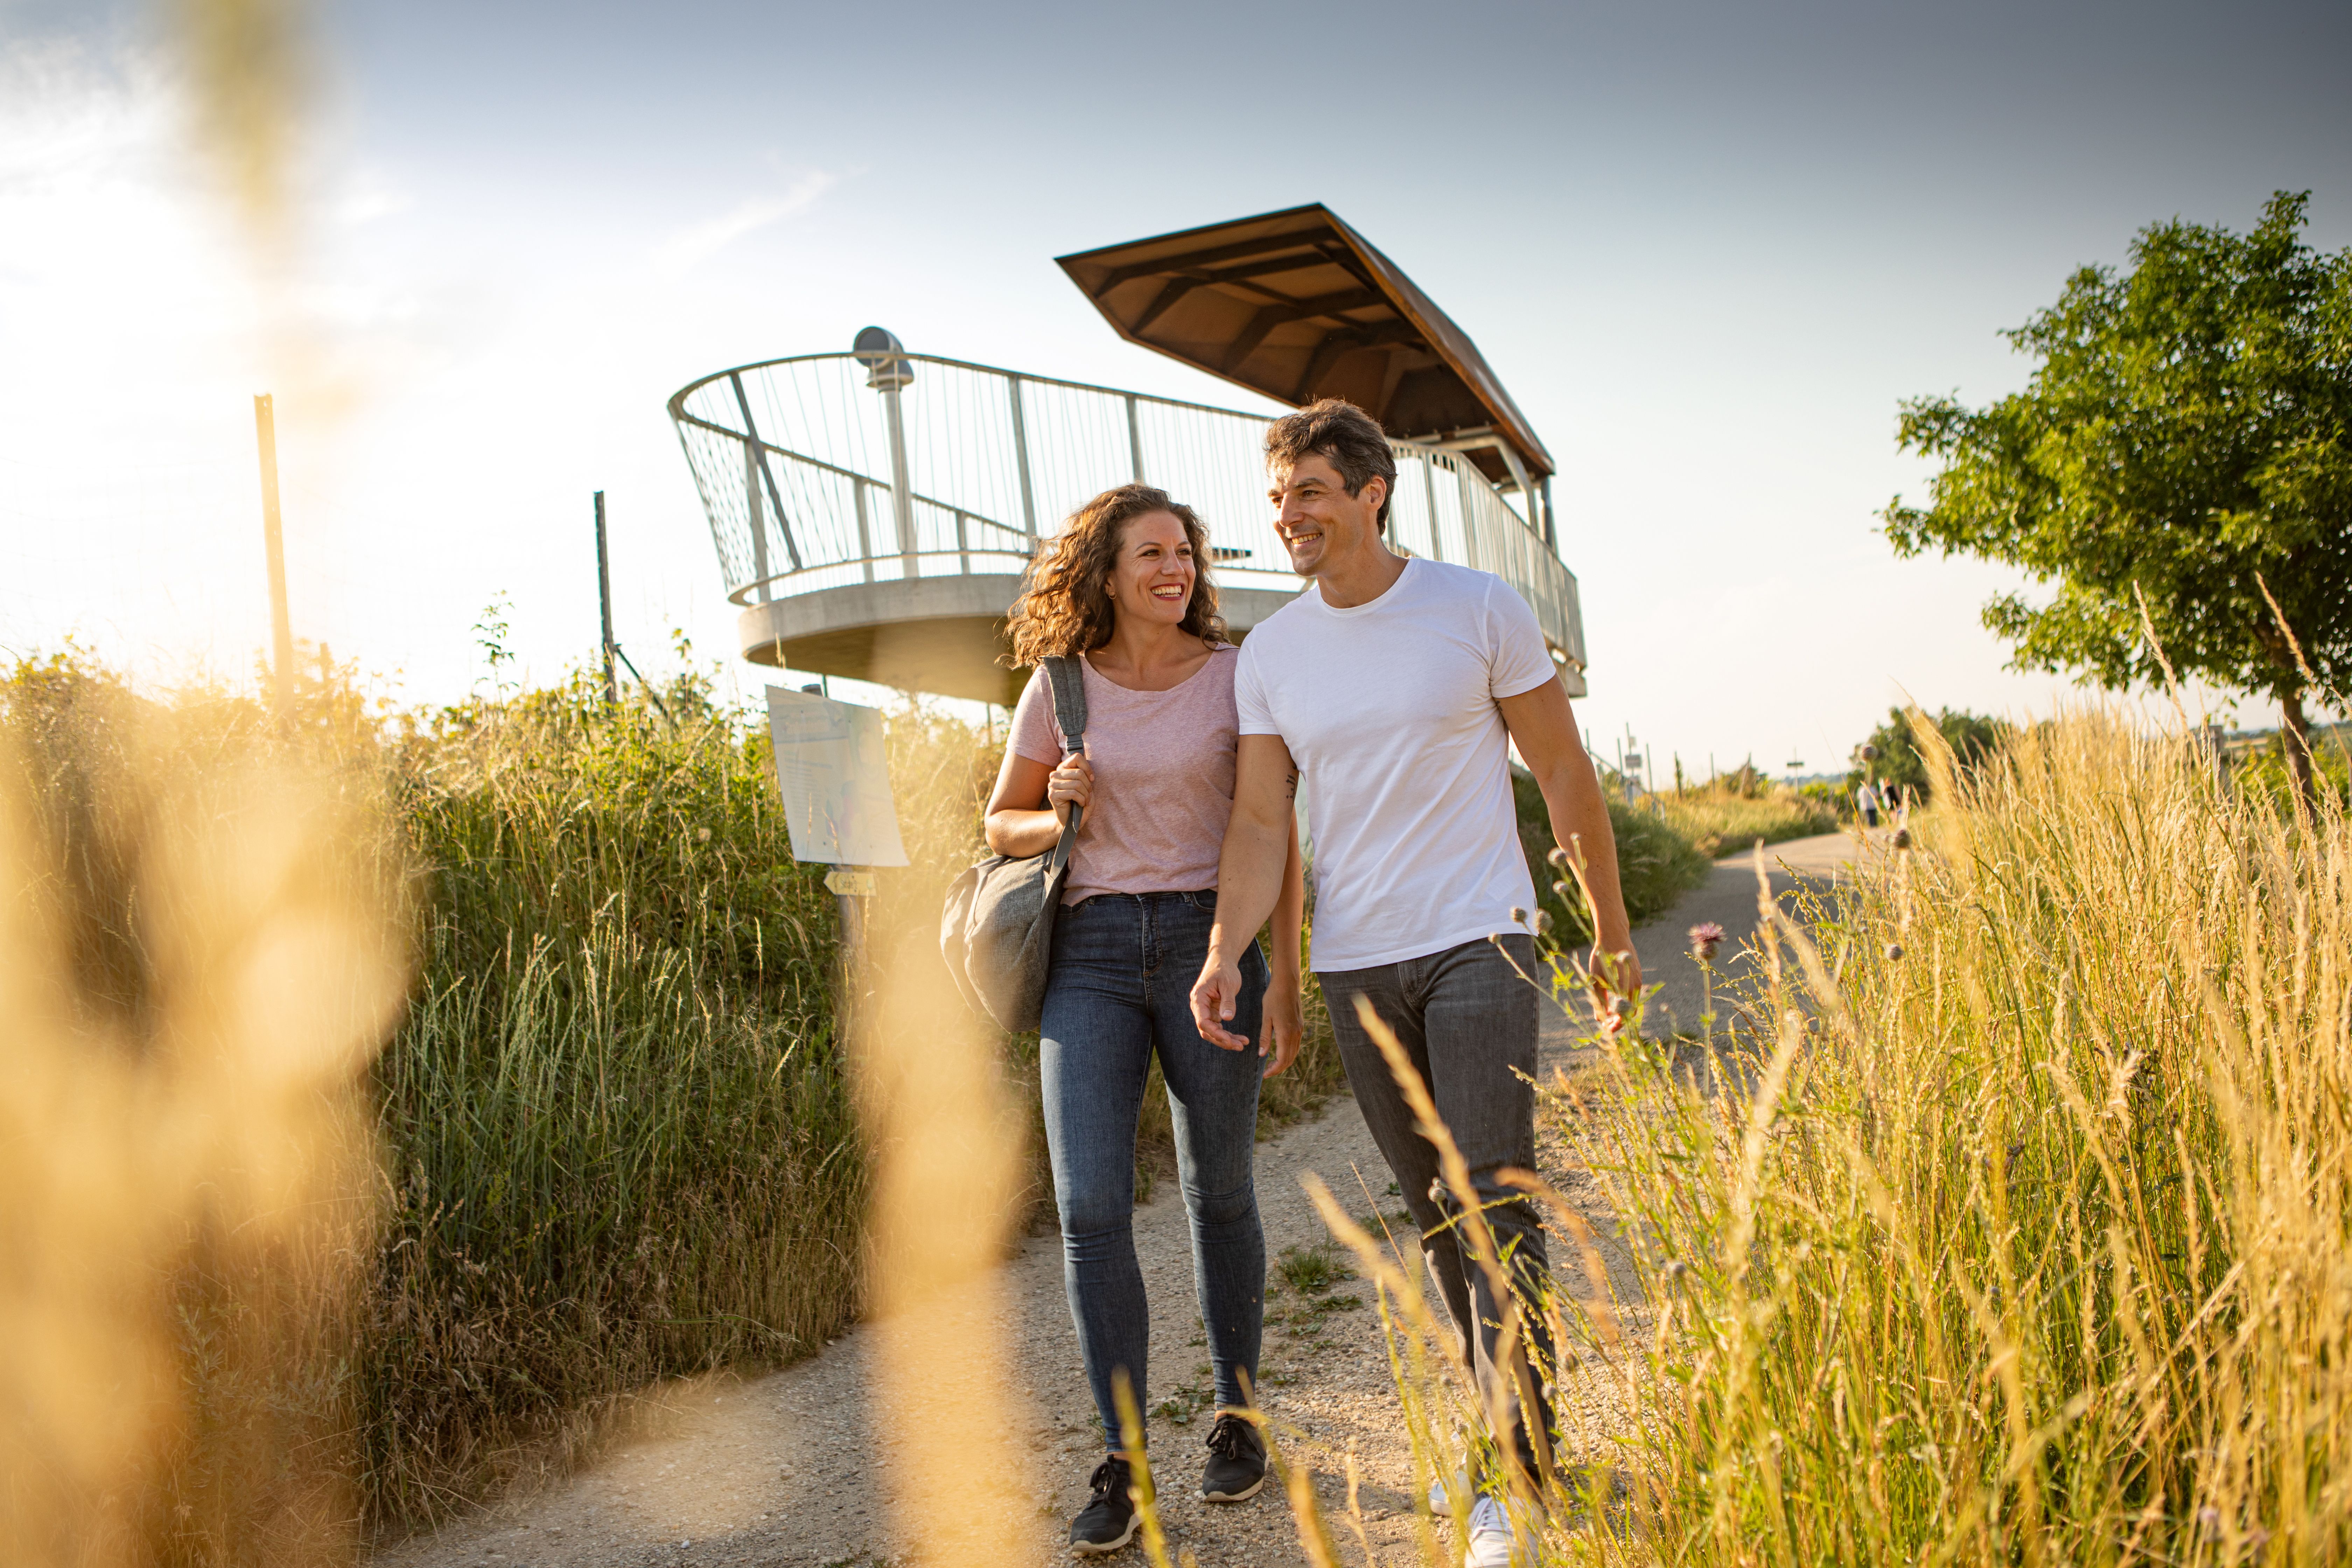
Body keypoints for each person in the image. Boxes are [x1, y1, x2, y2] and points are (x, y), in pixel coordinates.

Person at [1187, 401, 1639, 1568]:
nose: (1289, 516)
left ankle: (1512, 1473)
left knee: (1495, 1200)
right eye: (1279, 497)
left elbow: (1561, 770)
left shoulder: (1476, 608)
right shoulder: (1274, 652)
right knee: (1442, 1218)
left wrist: (1612, 930)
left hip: (1480, 937)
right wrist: (1238, 954)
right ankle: (1522, 1438)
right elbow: (1258, 819)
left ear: (1371, 493)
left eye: (1311, 494)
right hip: (1355, 960)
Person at [984, 483, 1308, 1556]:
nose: (1176, 569)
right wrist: (1056, 808)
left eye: (1186, 553)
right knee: (1088, 1208)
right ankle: (1123, 1461)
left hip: (1213, 947)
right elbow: (1002, 823)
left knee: (1221, 1192)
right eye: (1152, 554)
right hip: (1091, 954)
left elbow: (1274, 833)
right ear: (1107, 573)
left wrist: (1286, 977)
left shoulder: (1235, 677)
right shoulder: (1060, 687)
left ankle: (1239, 1417)